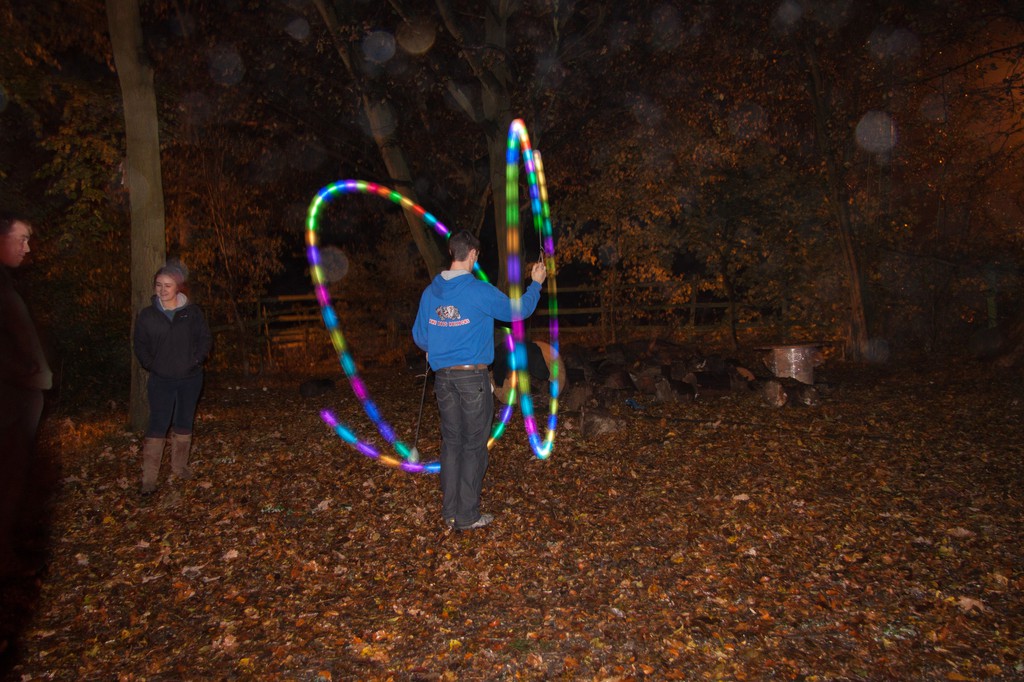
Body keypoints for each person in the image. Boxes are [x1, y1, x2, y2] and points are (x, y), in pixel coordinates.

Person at [413, 231, 547, 531]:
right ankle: (467, 516)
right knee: (473, 446)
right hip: (472, 379)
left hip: (443, 380)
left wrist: (441, 342)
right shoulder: (479, 291)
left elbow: (421, 337)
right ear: (472, 254)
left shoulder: (430, 293)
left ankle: (450, 511)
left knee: (452, 443)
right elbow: (519, 311)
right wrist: (536, 283)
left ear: (452, 252)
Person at [0, 212, 52, 575]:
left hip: (18, 402)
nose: (27, 248)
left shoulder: (6, 282)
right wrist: (26, 374)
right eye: (21, 239)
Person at [133, 261, 212, 495]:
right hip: (161, 379)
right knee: (158, 424)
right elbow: (140, 344)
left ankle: (180, 467)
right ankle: (149, 478)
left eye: (168, 285)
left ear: (178, 287)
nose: (163, 289)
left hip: (190, 378)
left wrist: (196, 360)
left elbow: (205, 339)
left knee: (184, 421)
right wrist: (151, 364)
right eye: (159, 285)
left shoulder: (192, 313)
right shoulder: (148, 315)